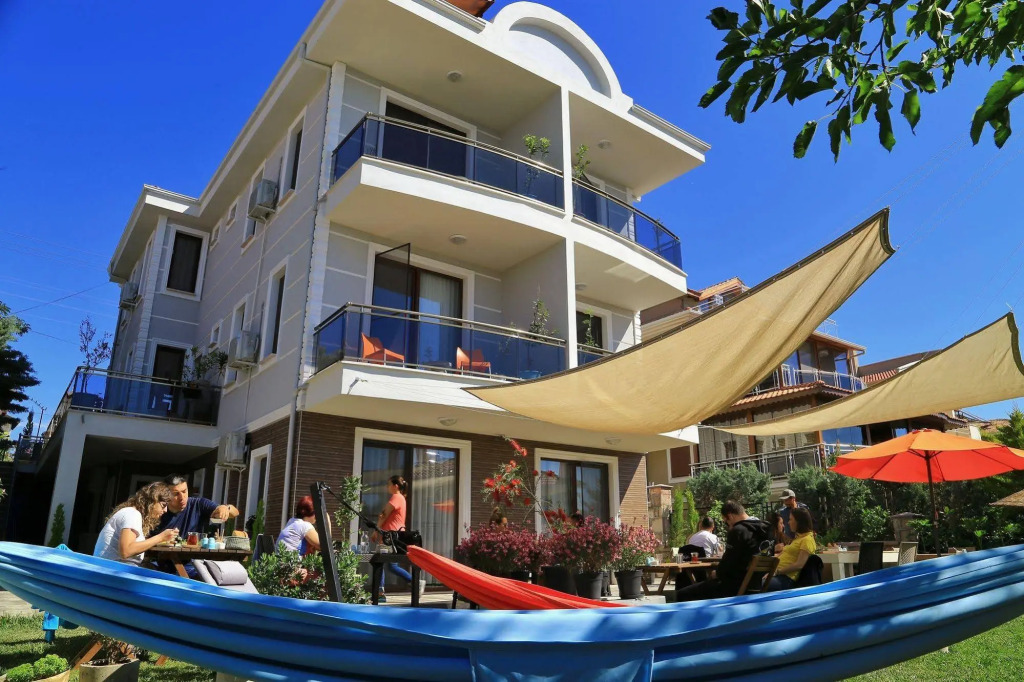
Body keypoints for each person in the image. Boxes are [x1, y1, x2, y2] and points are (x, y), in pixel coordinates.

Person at [669, 501, 770, 602]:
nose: (728, 526)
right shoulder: (767, 529)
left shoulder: (738, 531)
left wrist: (716, 573)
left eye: (726, 522)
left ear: (730, 516)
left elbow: (727, 566)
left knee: (681, 594)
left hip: (734, 587)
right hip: (756, 586)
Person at [93, 482, 179, 565]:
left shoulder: (132, 513)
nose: (165, 510)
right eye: (163, 505)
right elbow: (126, 551)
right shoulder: (132, 514)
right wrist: (160, 537)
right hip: (112, 570)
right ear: (152, 501)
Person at [155, 474, 239, 536]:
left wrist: (225, 508)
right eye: (176, 494)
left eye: (184, 491)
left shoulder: (198, 504)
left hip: (192, 553)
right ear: (166, 494)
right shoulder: (157, 510)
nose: (182, 497)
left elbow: (235, 513)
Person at [374, 475, 413, 601]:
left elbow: (384, 515)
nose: (387, 487)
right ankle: (415, 581)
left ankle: (380, 593)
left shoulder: (396, 497)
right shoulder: (401, 498)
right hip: (395, 535)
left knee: (380, 561)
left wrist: (376, 530)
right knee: (391, 565)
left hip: (390, 536)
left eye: (389, 484)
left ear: (395, 486)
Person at [764, 508, 816, 591]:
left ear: (798, 522)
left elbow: (799, 564)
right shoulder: (798, 538)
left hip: (786, 578)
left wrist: (776, 572)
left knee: (757, 585)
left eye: (791, 519)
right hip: (776, 574)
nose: (788, 522)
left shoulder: (807, 540)